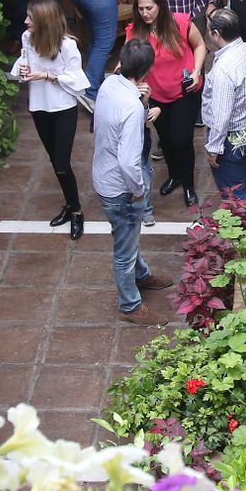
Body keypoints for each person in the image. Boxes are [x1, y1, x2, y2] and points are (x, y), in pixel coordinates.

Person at [93, 39, 172, 325]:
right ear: (146, 70)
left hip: (103, 177)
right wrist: (139, 191)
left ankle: (142, 275)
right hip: (121, 188)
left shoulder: (109, 85)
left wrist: (143, 100)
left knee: (126, 236)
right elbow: (129, 161)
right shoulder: (132, 107)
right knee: (124, 251)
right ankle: (130, 305)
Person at [10, 0, 91, 240]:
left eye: (30, 18)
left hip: (63, 108)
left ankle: (76, 210)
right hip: (39, 107)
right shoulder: (28, 38)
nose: (26, 22)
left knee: (61, 163)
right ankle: (69, 204)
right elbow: (25, 60)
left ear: (44, 21)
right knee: (55, 161)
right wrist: (23, 69)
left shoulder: (68, 46)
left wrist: (46, 75)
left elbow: (77, 80)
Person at [127, 0, 207, 208]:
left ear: (160, 7)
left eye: (149, 8)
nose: (145, 13)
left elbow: (200, 45)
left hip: (184, 92)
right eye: (140, 8)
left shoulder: (180, 23)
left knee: (182, 139)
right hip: (155, 96)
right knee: (166, 140)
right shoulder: (135, 31)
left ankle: (189, 184)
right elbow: (128, 61)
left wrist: (197, 71)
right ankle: (175, 175)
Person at [202, 9, 246, 200]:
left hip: (233, 139)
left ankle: (243, 226)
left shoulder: (224, 69)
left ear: (216, 34)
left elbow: (222, 115)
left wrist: (214, 148)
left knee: (236, 196)